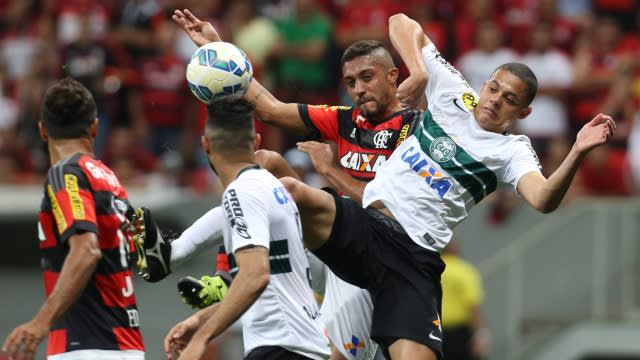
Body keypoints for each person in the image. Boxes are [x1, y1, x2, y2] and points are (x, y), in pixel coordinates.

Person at [276, 13, 616, 360]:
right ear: (484, 84)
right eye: (494, 87)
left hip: (414, 255)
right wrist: (419, 71)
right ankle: (243, 274)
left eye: (510, 99)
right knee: (287, 187)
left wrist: (576, 150)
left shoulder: (512, 151)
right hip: (370, 226)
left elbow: (543, 199)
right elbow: (400, 22)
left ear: (523, 113)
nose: (496, 99)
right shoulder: (453, 92)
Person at [147, 9, 425, 360]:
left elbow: (391, 210)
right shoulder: (346, 120)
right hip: (341, 243)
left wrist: (329, 170)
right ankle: (223, 270)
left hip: (390, 251)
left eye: (367, 77)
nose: (358, 89)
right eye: (351, 82)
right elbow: (270, 109)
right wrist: (223, 54)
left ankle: (223, 272)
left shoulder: (416, 129)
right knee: (264, 165)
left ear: (393, 76)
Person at [163, 97, 330, 360]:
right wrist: (201, 321)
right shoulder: (271, 186)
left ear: (205, 144)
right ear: (256, 143)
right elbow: (273, 282)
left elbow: (256, 276)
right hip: (302, 344)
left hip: (281, 346)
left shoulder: (241, 192)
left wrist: (202, 339)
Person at [1, 78, 149, 359]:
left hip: (85, 345)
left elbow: (87, 249)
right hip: (127, 344)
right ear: (94, 127)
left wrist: (41, 323)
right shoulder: (110, 180)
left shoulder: (67, 173)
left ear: (43, 130)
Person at [440, 241, 490, 360]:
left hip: (434, 331)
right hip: (459, 333)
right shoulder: (464, 270)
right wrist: (481, 333)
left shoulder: (432, 270)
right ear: (455, 250)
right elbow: (473, 304)